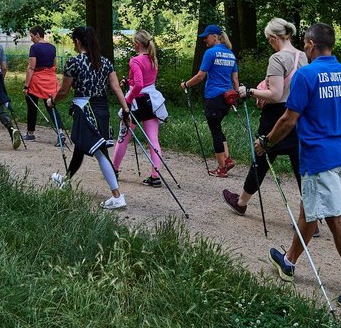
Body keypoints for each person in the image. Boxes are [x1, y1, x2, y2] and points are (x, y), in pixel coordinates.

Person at [258, 23, 341, 312]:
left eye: (306, 43)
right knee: (310, 207)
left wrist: (266, 143)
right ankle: (289, 261)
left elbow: (288, 121)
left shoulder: (306, 75)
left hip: (319, 158)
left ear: (309, 44)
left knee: (336, 219)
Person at [223, 18, 306, 214]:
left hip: (276, 115)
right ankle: (308, 216)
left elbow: (275, 94)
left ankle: (241, 202)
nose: (270, 43)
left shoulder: (277, 59)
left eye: (269, 40)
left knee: (260, 157)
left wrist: (249, 91)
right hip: (299, 115)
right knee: (300, 166)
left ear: (275, 37)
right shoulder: (303, 56)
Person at [48, 26, 131, 210]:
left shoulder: (74, 62)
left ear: (78, 41)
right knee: (81, 145)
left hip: (84, 109)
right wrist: (126, 110)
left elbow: (64, 90)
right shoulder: (105, 62)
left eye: (73, 41)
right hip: (102, 109)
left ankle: (117, 195)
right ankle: (66, 180)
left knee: (100, 151)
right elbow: (116, 87)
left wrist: (52, 101)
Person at [180, 24, 239, 178]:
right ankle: (227, 159)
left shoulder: (210, 53)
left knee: (215, 131)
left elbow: (200, 76)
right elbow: (235, 79)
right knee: (218, 127)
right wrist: (236, 97)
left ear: (214, 36)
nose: (204, 40)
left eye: (206, 37)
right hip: (227, 97)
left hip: (214, 96)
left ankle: (221, 168)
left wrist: (186, 84)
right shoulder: (230, 54)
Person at [112, 29, 169, 187]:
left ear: (137, 44)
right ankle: (155, 176)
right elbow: (144, 81)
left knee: (123, 137)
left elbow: (139, 84)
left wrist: (128, 100)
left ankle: (114, 170)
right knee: (153, 139)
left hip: (137, 102)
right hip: (152, 101)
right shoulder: (153, 59)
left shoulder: (135, 61)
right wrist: (128, 81)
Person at [22, 26, 66, 144]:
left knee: (32, 107)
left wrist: (26, 86)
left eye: (31, 36)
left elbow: (31, 67)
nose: (31, 39)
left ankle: (30, 134)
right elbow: (54, 64)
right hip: (50, 79)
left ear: (37, 35)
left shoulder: (34, 48)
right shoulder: (52, 47)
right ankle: (60, 132)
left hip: (36, 80)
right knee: (51, 105)